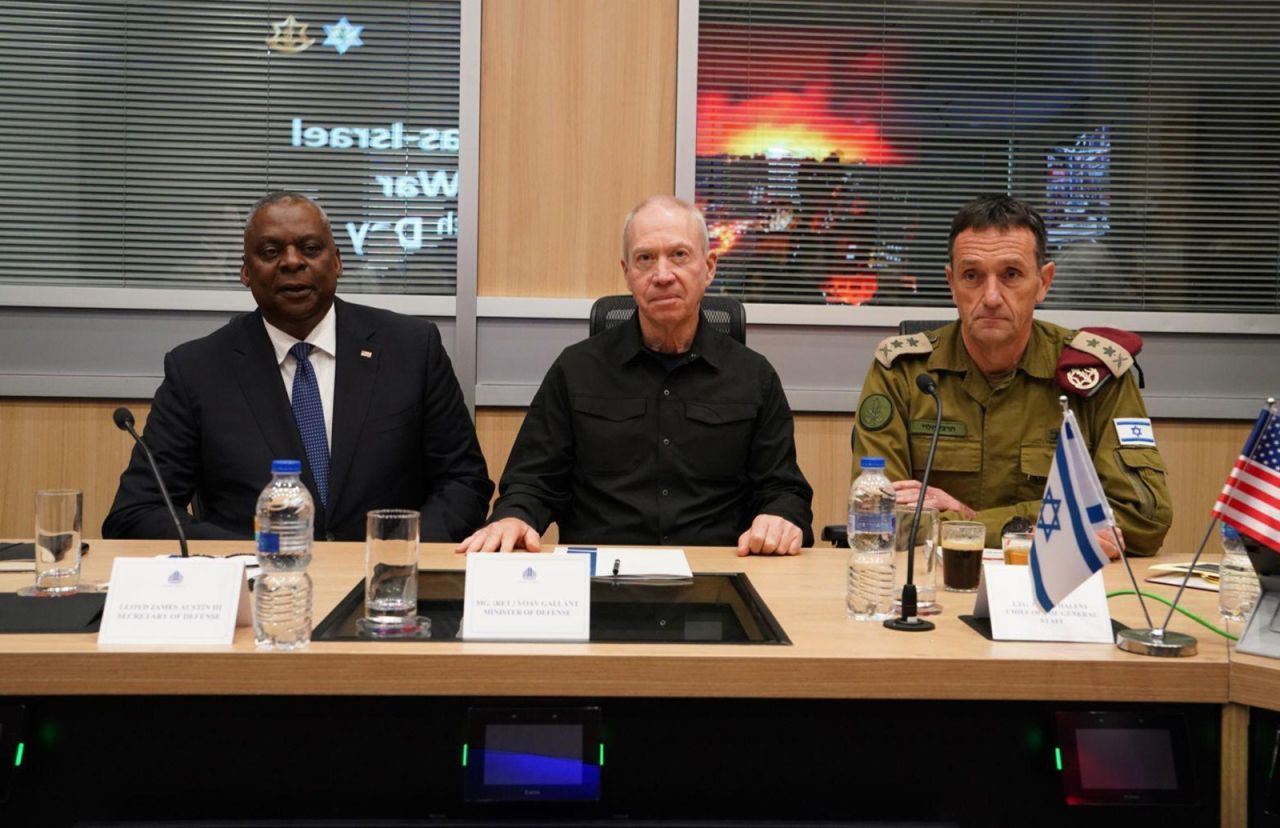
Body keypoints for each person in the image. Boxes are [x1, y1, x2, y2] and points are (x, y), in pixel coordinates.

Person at [104, 191, 493, 542]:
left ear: (337, 261)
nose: (292, 262)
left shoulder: (410, 348)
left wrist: (397, 553)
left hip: (388, 587)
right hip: (256, 592)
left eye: (309, 248)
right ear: (244, 271)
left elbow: (464, 483)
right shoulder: (198, 370)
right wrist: (259, 555)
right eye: (271, 252)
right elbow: (137, 513)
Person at [457, 195, 814, 556]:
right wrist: (515, 517)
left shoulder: (754, 376)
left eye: (679, 255)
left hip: (717, 585)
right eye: (645, 258)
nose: (662, 275)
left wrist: (780, 517)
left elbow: (784, 490)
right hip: (602, 588)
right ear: (627, 273)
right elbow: (532, 482)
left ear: (708, 268)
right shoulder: (577, 369)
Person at [852, 194, 1172, 556]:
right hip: (938, 584)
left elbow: (1143, 517)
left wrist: (968, 520)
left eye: (1011, 275)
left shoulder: (1096, 375)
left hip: (1061, 589)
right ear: (951, 284)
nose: (991, 296)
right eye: (972, 275)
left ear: (1043, 282)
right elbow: (878, 517)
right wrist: (1051, 528)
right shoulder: (904, 373)